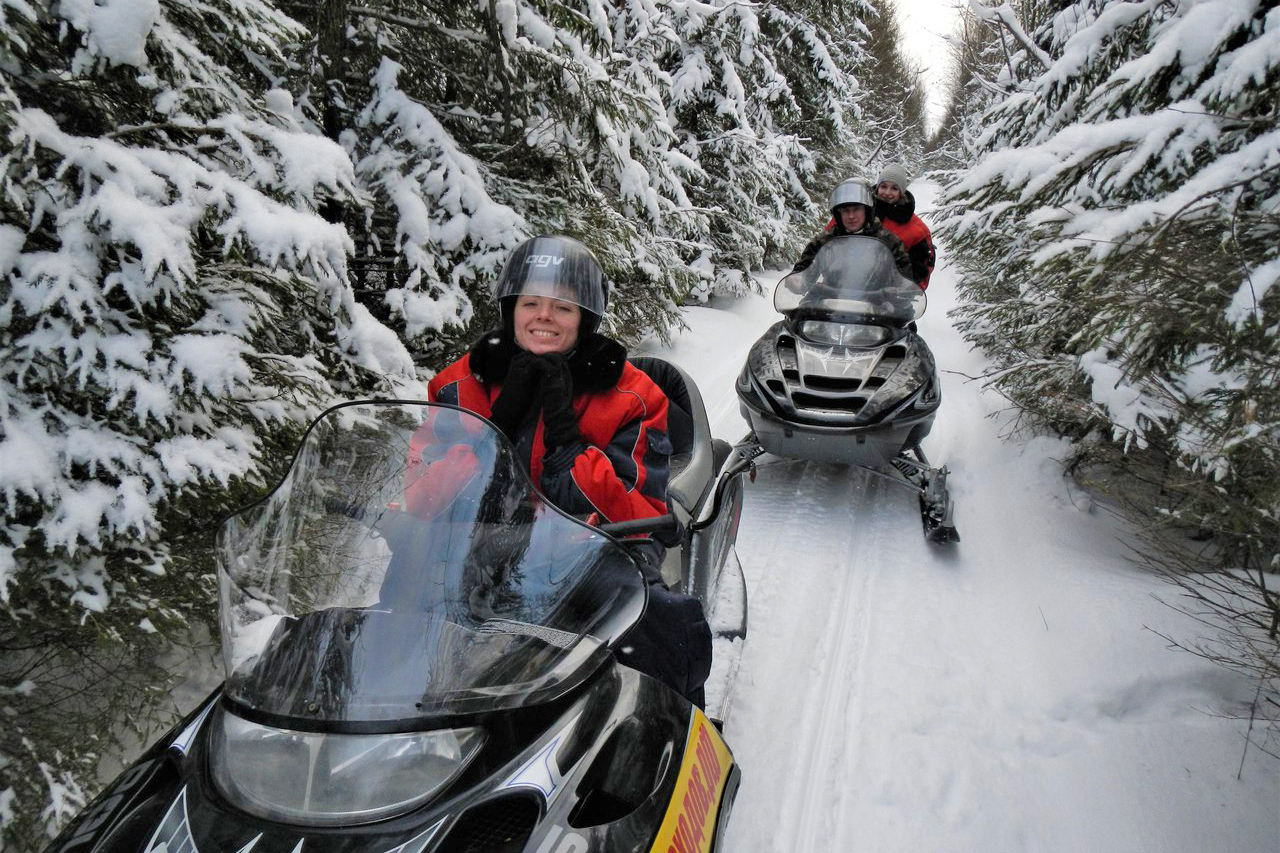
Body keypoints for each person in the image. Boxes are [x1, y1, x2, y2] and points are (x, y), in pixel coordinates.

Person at [427, 234, 712, 705]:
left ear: (585, 319)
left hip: (586, 557)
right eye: (531, 303)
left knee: (666, 631)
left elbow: (638, 510)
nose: (544, 316)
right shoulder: (458, 385)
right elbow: (423, 497)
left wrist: (567, 441)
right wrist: (492, 433)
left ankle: (679, 729)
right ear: (510, 309)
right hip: (469, 553)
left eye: (563, 307)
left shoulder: (633, 396)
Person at [793, 178, 914, 278]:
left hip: (877, 302)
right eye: (845, 211)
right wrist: (798, 280)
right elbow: (805, 268)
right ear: (838, 214)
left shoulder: (889, 241)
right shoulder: (825, 240)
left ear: (867, 211)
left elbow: (905, 279)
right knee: (803, 306)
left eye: (856, 209)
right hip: (830, 300)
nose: (851, 216)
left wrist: (897, 295)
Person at [872, 164, 936, 289]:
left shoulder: (917, 230)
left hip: (891, 296)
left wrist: (908, 289)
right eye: (883, 186)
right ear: (877, 187)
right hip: (850, 287)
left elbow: (923, 267)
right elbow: (831, 238)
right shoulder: (857, 212)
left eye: (894, 188)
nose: (887, 193)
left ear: (901, 192)